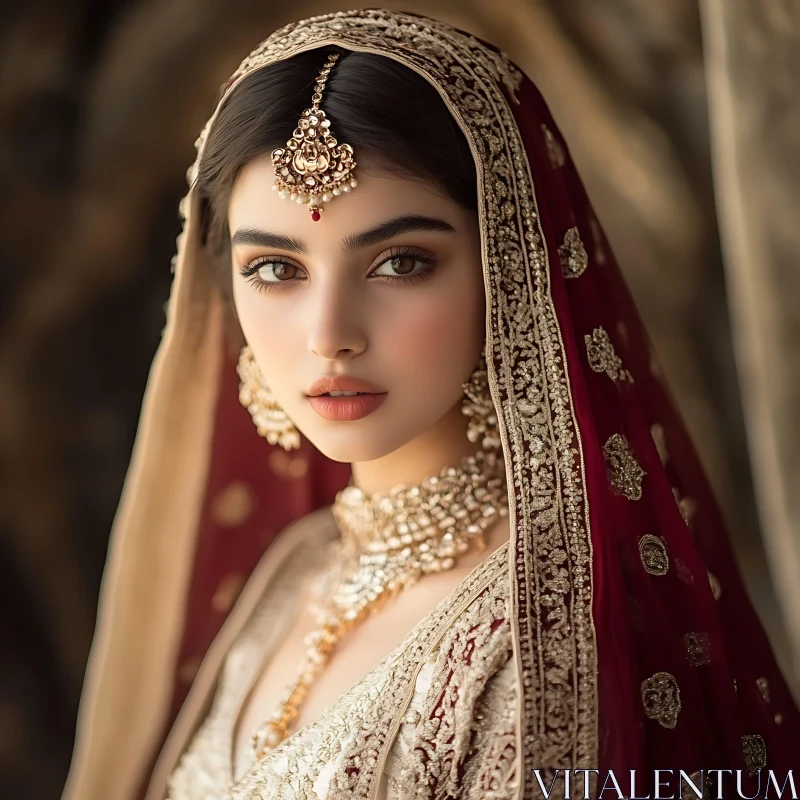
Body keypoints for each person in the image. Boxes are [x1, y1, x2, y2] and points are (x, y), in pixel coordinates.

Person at [62, 9, 799, 800]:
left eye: (400, 262)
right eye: (276, 269)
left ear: (507, 274)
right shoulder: (296, 569)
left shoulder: (551, 636)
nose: (329, 336)